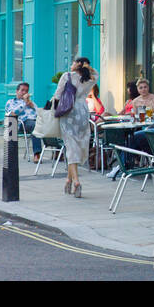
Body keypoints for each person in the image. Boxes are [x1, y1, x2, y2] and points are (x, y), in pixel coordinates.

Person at [53, 57, 98, 200]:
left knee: (71, 146)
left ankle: (77, 181)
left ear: (76, 65)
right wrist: (87, 68)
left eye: (73, 62)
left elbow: (58, 95)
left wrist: (53, 111)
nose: (71, 65)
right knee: (76, 145)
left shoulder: (67, 76)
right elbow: (96, 74)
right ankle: (68, 180)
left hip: (69, 112)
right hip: (83, 112)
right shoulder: (90, 78)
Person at [5, 82, 43, 163]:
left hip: (35, 121)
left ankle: (57, 152)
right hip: (23, 123)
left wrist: (32, 105)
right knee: (35, 126)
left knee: (49, 125)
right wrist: (24, 103)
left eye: (26, 91)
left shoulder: (30, 102)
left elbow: (40, 113)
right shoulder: (11, 102)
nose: (24, 93)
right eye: (22, 90)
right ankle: (37, 154)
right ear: (17, 91)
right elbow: (12, 113)